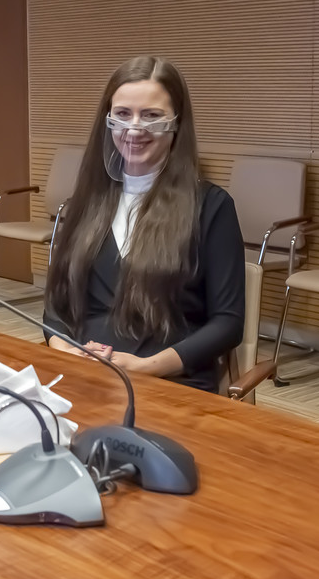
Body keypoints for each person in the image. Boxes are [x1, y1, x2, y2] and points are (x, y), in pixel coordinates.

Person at [43, 56, 244, 393]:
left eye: (151, 116)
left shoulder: (212, 206)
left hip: (171, 383)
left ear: (177, 123)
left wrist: (146, 367)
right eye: (122, 114)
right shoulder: (85, 202)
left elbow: (228, 323)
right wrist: (64, 350)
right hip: (85, 378)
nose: (134, 129)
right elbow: (56, 306)